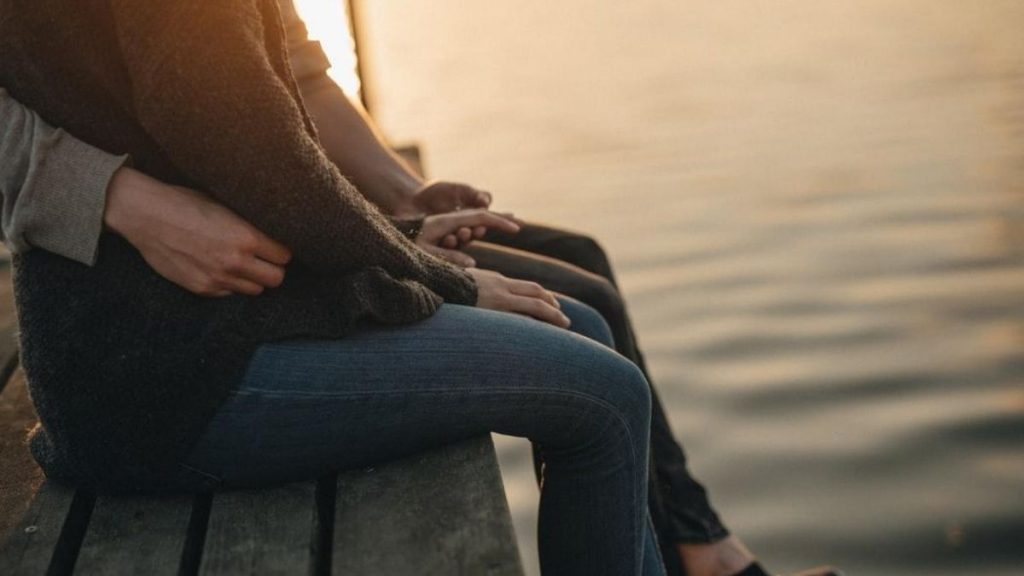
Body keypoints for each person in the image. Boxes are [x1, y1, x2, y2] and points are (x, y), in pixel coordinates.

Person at [0, 1, 671, 575]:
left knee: (582, 326)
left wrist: (400, 234)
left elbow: (249, 152)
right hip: (153, 377)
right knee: (604, 395)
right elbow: (256, 155)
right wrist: (442, 281)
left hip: (197, 326)